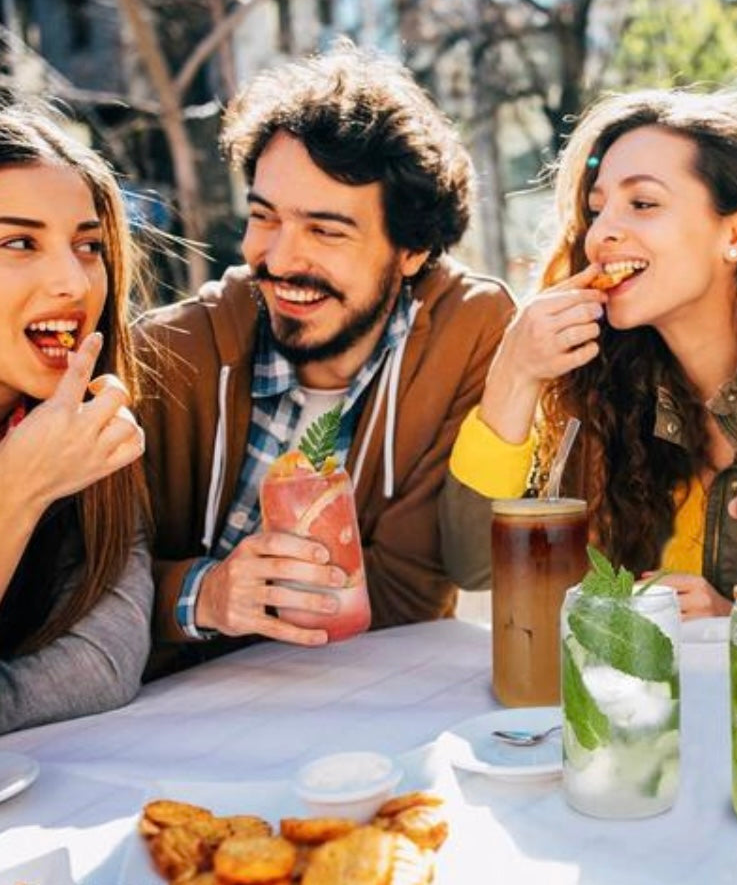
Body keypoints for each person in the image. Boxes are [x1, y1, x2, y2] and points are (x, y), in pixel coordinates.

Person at [441, 86, 737, 621]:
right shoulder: (600, 394)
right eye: (596, 210)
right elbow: (474, 565)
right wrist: (515, 372)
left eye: (642, 203)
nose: (601, 233)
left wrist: (731, 624)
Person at [138, 45, 515, 675]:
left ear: (413, 250)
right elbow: (77, 592)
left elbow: (410, 594)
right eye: (265, 218)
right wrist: (202, 594)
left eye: (325, 230)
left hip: (364, 708)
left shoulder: (462, 338)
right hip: (169, 711)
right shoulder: (169, 354)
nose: (281, 260)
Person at [0, 104, 150, 733]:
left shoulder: (87, 425)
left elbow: (102, 662)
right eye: (17, 243)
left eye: (88, 246)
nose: (72, 281)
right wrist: (18, 488)